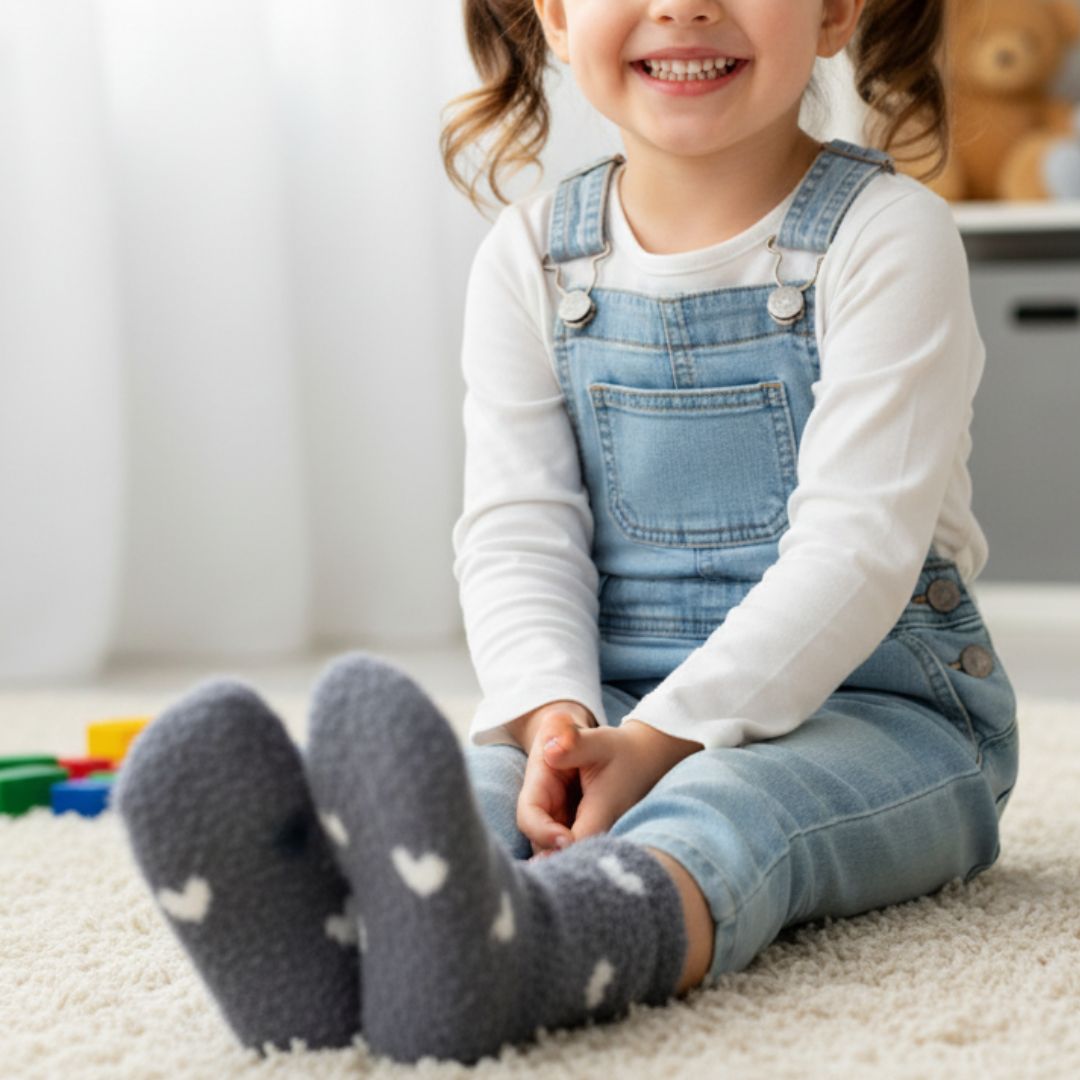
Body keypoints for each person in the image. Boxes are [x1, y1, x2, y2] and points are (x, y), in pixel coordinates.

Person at [113, 0, 1021, 1068]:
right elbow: (516, 528)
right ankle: (339, 960)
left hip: (881, 707)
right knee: (482, 791)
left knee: (739, 808)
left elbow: (856, 552)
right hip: (615, 698)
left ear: (832, 11)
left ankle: (541, 954)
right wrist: (555, 719)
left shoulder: (890, 234)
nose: (682, 5)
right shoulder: (531, 257)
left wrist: (663, 745)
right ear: (550, 13)